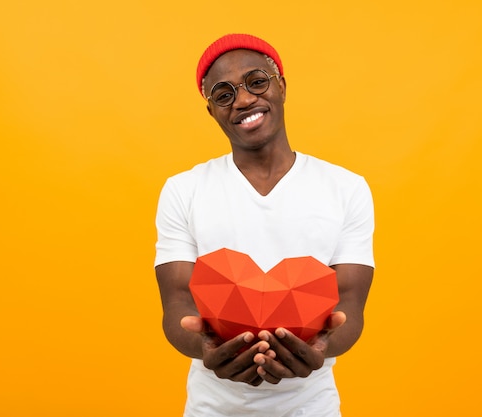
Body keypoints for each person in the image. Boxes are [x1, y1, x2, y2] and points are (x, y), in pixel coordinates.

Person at [154, 33, 375, 417]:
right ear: (212, 112)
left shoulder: (346, 188)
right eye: (223, 95)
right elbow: (177, 305)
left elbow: (350, 306)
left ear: (281, 86)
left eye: (256, 81)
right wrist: (206, 350)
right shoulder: (183, 190)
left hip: (311, 408)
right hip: (212, 409)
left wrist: (319, 346)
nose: (242, 100)